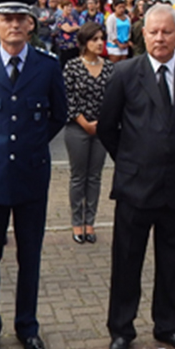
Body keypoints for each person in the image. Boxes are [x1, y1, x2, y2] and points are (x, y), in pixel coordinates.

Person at [98, 4, 175, 349]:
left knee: (172, 261)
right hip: (136, 188)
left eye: (167, 31)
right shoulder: (125, 74)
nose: (160, 38)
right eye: (153, 32)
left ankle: (168, 325)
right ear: (143, 35)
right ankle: (121, 330)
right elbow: (107, 128)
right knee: (127, 262)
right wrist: (133, 162)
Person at [0, 0, 68, 349]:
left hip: (31, 176)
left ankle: (27, 326)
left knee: (30, 256)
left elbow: (58, 115)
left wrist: (29, 147)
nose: (13, 25)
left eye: (20, 18)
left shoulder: (47, 66)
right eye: (6, 19)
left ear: (31, 24)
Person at [64, 22, 114, 244]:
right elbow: (68, 99)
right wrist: (84, 123)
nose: (99, 43)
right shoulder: (72, 67)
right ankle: (76, 222)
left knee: (95, 177)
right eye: (94, 39)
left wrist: (101, 123)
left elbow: (113, 100)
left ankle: (89, 222)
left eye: (101, 38)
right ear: (84, 43)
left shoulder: (110, 68)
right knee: (78, 177)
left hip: (101, 129)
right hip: (77, 129)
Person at [52, 0, 81, 66]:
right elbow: (68, 29)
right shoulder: (61, 18)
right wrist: (77, 27)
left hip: (74, 45)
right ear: (63, 8)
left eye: (71, 6)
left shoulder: (73, 18)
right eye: (67, 6)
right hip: (65, 46)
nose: (69, 8)